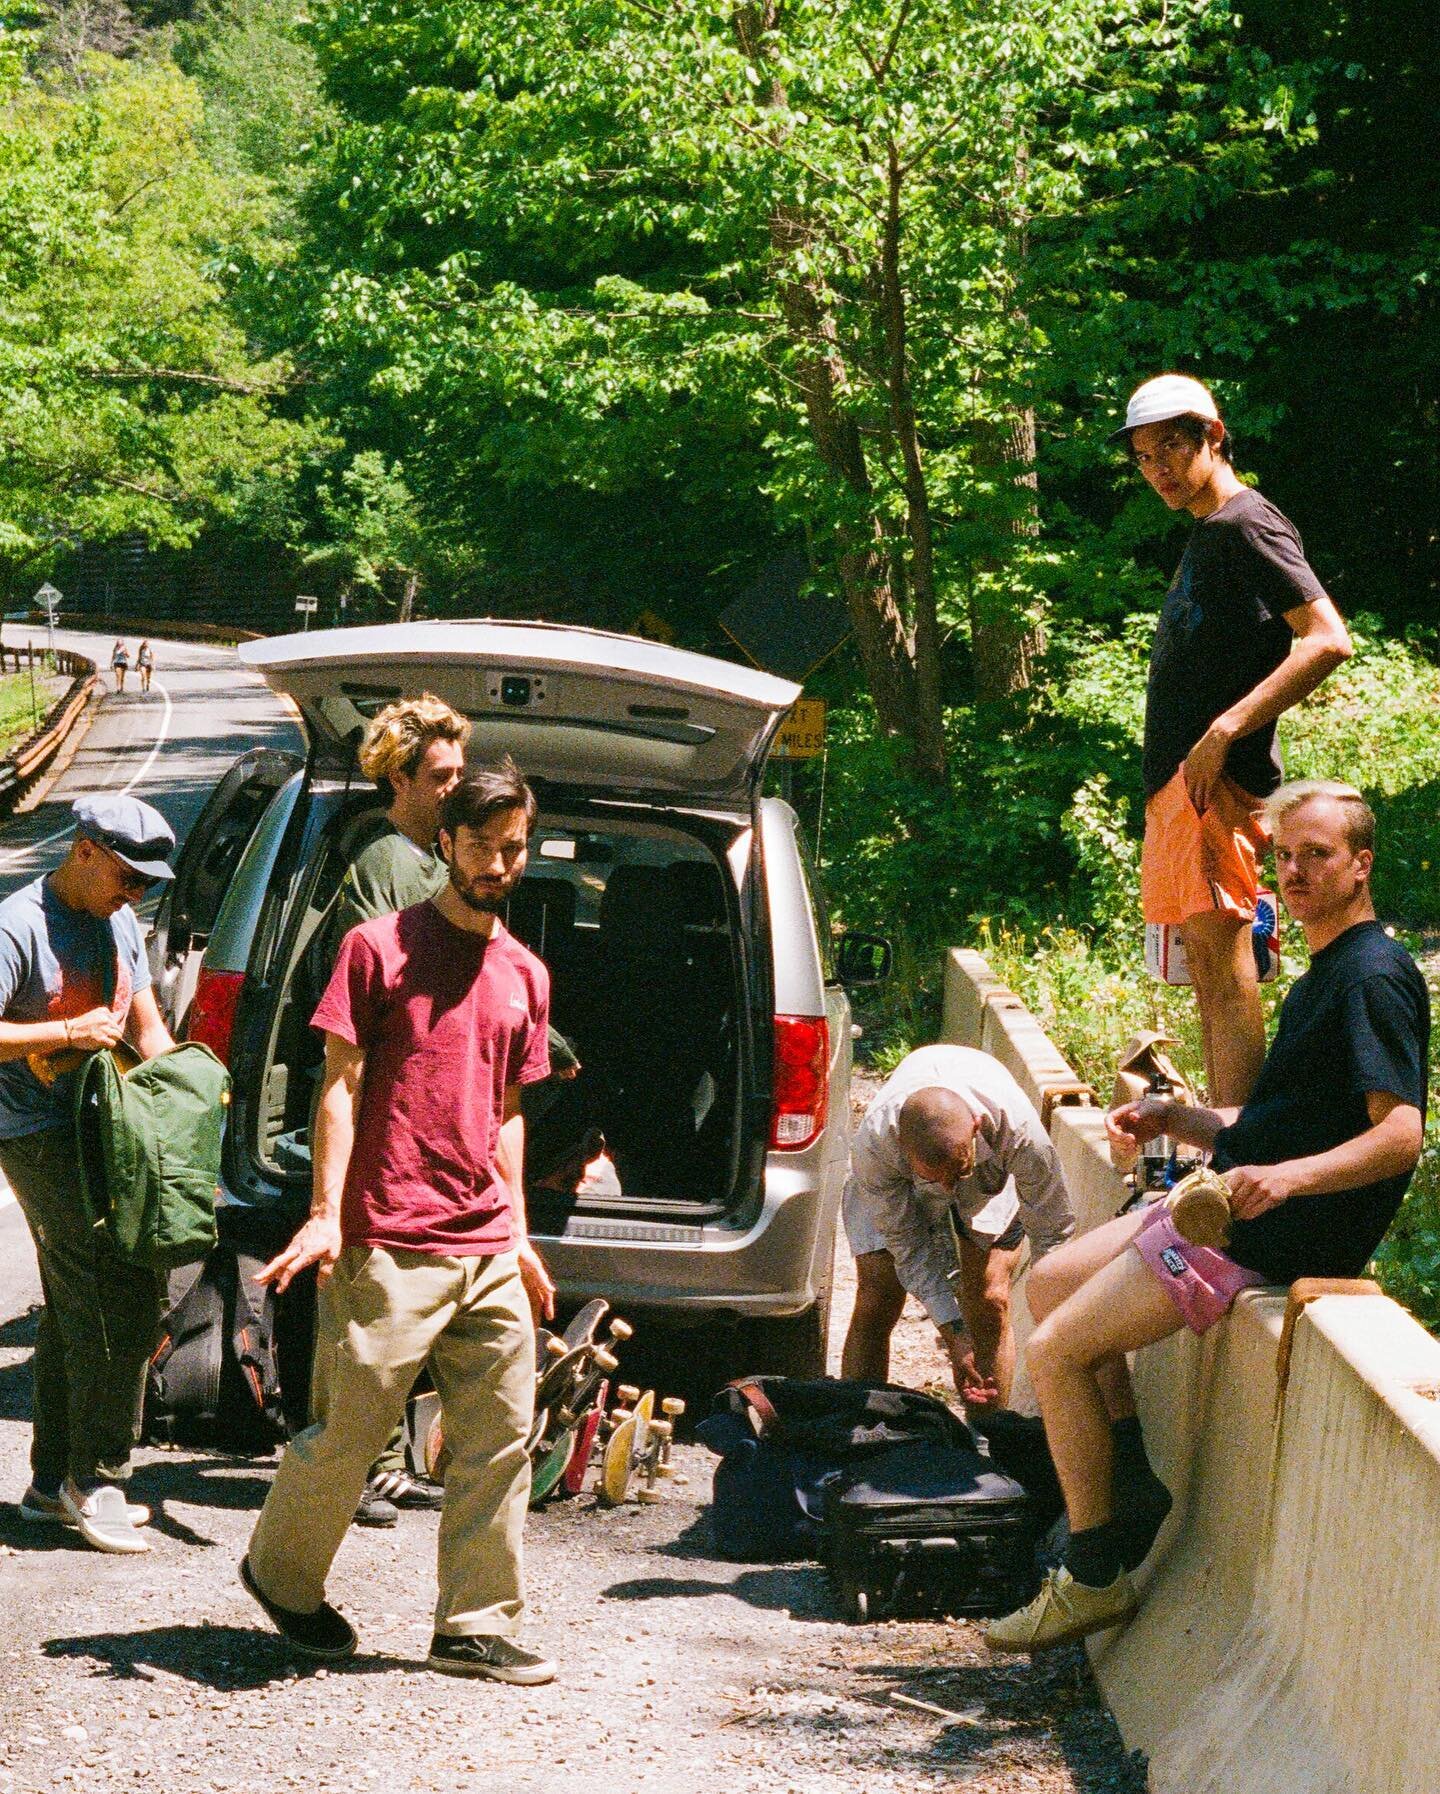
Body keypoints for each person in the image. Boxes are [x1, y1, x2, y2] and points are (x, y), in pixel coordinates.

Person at [987, 781, 1429, 1653]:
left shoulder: (1373, 978)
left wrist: (1290, 1181)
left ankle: (1093, 1572)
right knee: (1057, 1280)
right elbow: (1276, 1124)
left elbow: (1401, 1136)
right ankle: (1134, 1487)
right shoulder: (1325, 971)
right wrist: (1180, 1121)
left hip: (1262, 1236)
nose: (1295, 873)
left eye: (1318, 856)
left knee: (1057, 1352)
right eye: (1284, 857)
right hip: (1225, 1204)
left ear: (1361, 866)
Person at [241, 761, 559, 1683]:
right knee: (346, 1437)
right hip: (389, 1235)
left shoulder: (525, 974)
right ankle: (280, 1574)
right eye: (486, 847)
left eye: (516, 848)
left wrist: (522, 1235)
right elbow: (336, 1087)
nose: (502, 864)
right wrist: (325, 1217)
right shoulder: (377, 949)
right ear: (447, 843)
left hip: (487, 1241)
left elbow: (506, 1111)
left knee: (502, 1436)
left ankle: (472, 1625)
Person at [1116, 373, 1352, 1106]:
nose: (1159, 468)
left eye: (1173, 448)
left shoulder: (1249, 522)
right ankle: (1227, 1140)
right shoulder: (1209, 531)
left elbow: (1326, 638)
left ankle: (1238, 1145)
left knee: (1227, 969)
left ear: (1215, 437)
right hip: (1182, 788)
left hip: (1219, 782)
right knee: (1208, 975)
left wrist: (1225, 729)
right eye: (1145, 456)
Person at [0, 795, 177, 1553]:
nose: (133, 895)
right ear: (84, 850)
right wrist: (66, 1030)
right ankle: (97, 1477)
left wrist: (189, 1091)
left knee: (93, 1291)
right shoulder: (18, 923)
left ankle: (48, 1486)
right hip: (32, 1130)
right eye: (127, 878)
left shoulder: (121, 925)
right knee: (105, 1293)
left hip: (102, 1125)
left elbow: (147, 1028)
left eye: (145, 886)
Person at [316, 693, 471, 1526]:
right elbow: (388, 994)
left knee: (399, 1292)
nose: (454, 786)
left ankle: (384, 1460)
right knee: (370, 1296)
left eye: (459, 774)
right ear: (400, 780)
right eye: (439, 776)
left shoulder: (429, 860)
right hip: (382, 1099)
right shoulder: (388, 863)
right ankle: (357, 1465)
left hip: (420, 1104)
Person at [839, 1045, 1076, 1410]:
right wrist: (954, 1334)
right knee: (879, 1291)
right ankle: (855, 1429)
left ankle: (985, 1438)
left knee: (989, 1299)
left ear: (976, 1127)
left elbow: (1052, 1232)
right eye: (936, 1179)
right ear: (901, 1145)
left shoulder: (1023, 1136)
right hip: (904, 1172)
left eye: (957, 1173)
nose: (948, 1190)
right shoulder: (874, 1147)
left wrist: (1054, 1321)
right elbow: (908, 1246)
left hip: (989, 1164)